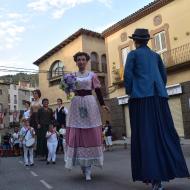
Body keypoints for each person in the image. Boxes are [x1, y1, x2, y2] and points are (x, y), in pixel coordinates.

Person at [124, 28, 190, 190]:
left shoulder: (132, 55)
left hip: (141, 99)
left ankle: (154, 178)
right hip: (159, 97)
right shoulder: (156, 56)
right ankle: (164, 173)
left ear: (135, 41)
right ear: (147, 40)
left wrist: (131, 90)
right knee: (164, 134)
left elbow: (128, 76)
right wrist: (159, 87)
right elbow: (163, 76)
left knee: (146, 136)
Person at [65, 52, 109, 181]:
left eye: (83, 59)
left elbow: (98, 91)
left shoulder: (92, 75)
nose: (81, 62)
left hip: (89, 103)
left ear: (87, 61)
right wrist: (67, 89)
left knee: (90, 131)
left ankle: (88, 168)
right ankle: (82, 165)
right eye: (79, 59)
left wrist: (102, 104)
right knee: (77, 131)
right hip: (76, 103)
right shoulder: (72, 76)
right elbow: (69, 94)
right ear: (76, 61)